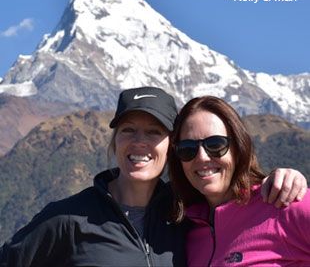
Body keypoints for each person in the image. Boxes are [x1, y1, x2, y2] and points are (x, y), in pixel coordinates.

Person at [0, 87, 307, 267]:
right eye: (128, 131)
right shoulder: (67, 218)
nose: (140, 142)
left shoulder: (185, 215)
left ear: (167, 146)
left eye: (154, 132)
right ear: (114, 141)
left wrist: (286, 179)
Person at [168, 95, 310, 266]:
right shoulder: (188, 232)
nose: (202, 157)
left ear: (238, 147)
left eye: (215, 144)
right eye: (187, 148)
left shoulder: (283, 203)